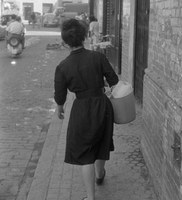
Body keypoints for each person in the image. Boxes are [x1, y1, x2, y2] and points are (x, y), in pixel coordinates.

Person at [54, 19, 119, 200]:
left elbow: (60, 95)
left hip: (82, 109)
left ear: (65, 42)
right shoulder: (98, 57)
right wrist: (105, 86)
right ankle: (100, 174)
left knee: (85, 153)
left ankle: (90, 198)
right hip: (102, 105)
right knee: (101, 141)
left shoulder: (63, 66)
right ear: (84, 37)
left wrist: (60, 108)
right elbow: (114, 80)